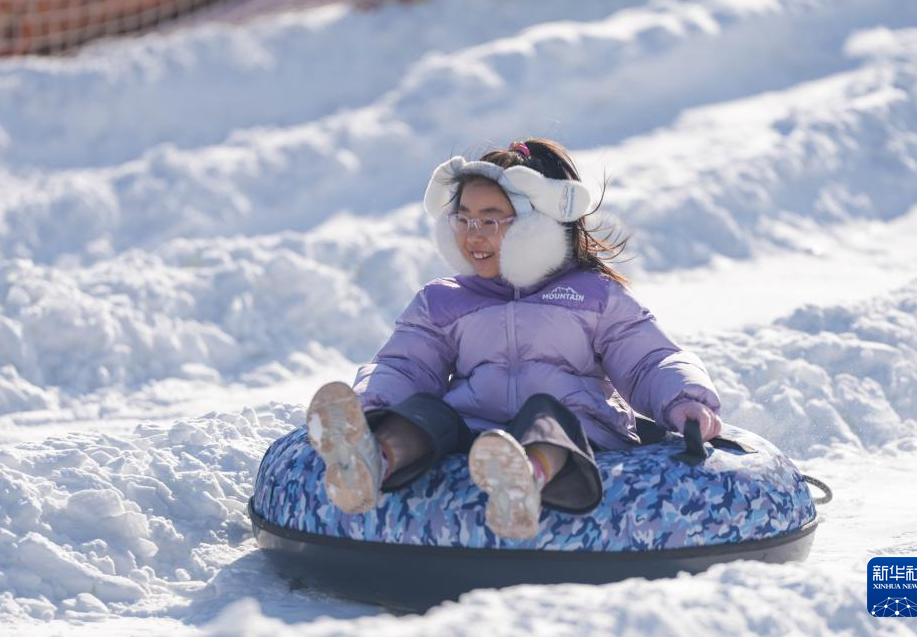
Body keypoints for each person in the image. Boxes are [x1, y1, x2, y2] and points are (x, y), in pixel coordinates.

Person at [305, 138, 722, 539]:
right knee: (430, 413)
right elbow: (406, 365)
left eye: (490, 221)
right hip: (478, 440)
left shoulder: (593, 296)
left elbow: (648, 359)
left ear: (536, 228)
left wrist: (684, 399)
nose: (473, 235)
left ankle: (525, 479)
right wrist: (371, 406)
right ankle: (371, 459)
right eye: (463, 219)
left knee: (547, 412)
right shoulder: (443, 301)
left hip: (576, 436)